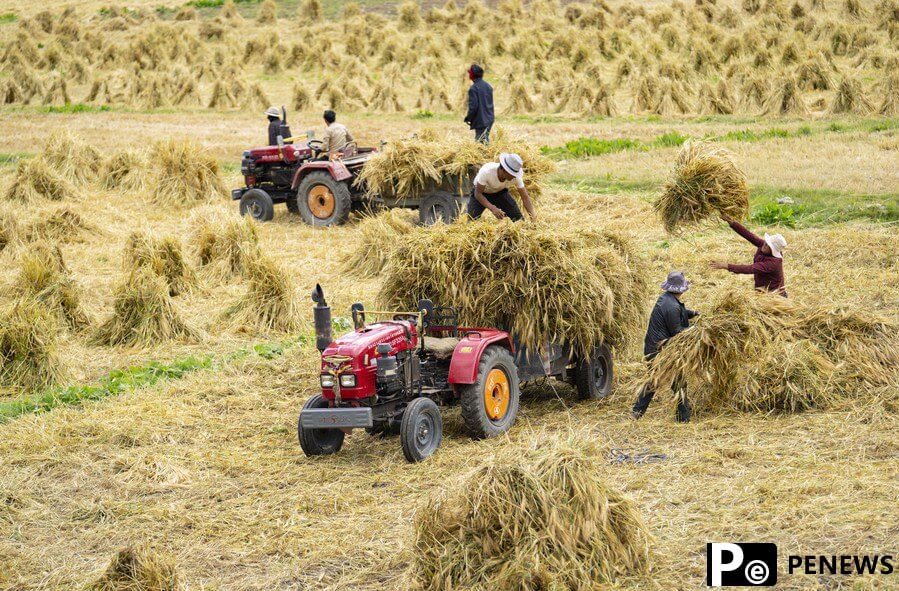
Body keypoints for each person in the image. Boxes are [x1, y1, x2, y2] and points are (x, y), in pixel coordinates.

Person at [632, 271, 697, 423]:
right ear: (681, 289)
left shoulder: (667, 299)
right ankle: (683, 417)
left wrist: (693, 313)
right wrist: (695, 330)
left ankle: (638, 412)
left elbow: (679, 313)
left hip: (656, 348)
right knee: (666, 381)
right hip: (659, 350)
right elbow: (677, 331)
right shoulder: (671, 306)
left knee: (663, 381)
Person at [709, 217, 788, 297]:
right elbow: (749, 235)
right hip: (762, 293)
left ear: (773, 250)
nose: (765, 245)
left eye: (768, 245)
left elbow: (749, 269)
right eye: (766, 242)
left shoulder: (773, 263)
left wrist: (725, 266)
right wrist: (732, 223)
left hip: (774, 297)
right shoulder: (763, 245)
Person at [467, 153, 536, 222]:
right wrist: (492, 208)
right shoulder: (487, 172)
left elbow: (525, 198)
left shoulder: (516, 177)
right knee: (471, 221)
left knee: (519, 220)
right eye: (512, 174)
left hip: (500, 193)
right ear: (504, 170)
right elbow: (478, 193)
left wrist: (533, 218)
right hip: (481, 194)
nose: (514, 176)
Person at [463, 64, 494, 143]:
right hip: (489, 118)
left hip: (481, 120)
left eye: (470, 73)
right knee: (484, 139)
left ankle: (486, 155)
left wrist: (468, 118)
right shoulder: (488, 86)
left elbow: (473, 106)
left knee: (481, 143)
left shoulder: (474, 88)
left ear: (473, 75)